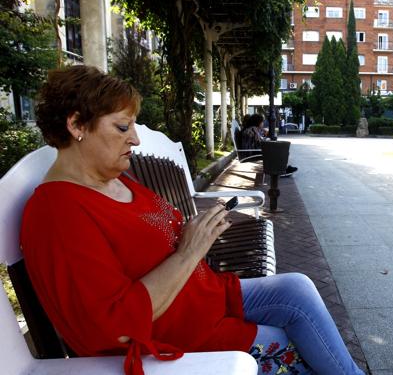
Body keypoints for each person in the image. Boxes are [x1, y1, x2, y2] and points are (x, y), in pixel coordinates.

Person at [20, 65, 363, 375]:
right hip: (182, 337)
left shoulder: (114, 179)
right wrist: (189, 252)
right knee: (295, 348)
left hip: (204, 300)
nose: (135, 139)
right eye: (123, 126)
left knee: (297, 288)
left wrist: (199, 232)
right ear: (77, 124)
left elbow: (161, 233)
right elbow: (111, 329)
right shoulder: (58, 212)